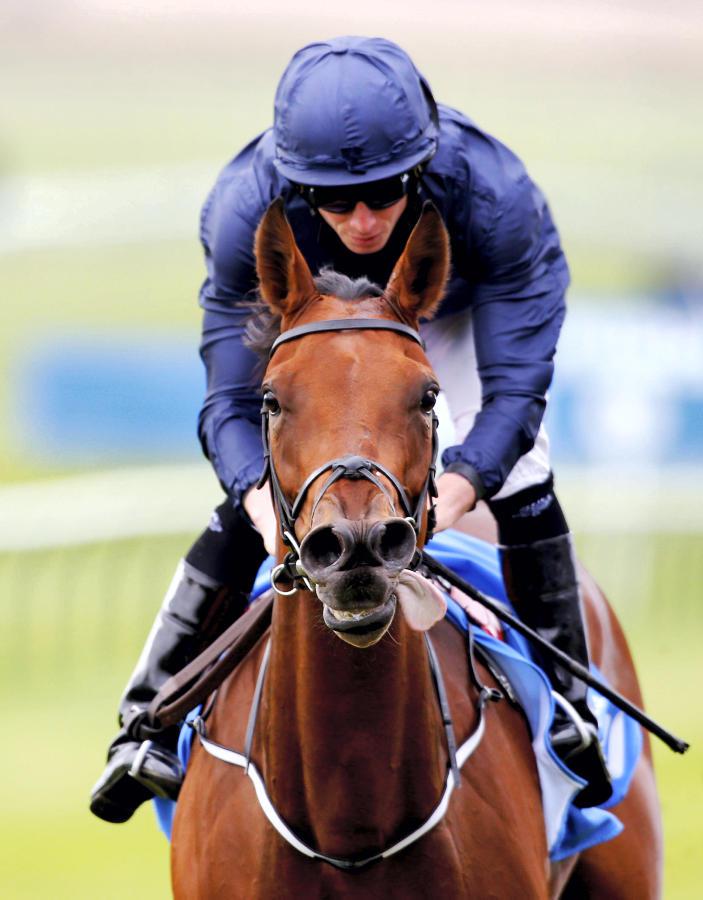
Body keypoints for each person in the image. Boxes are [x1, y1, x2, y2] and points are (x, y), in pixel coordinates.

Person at [90, 35, 612, 824]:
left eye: (386, 192)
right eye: (337, 201)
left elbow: (513, 394)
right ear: (297, 184)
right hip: (313, 322)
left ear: (424, 164)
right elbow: (228, 406)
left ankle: (569, 700)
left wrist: (451, 493)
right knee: (268, 473)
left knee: (525, 468)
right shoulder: (245, 212)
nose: (363, 220)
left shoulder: (495, 198)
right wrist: (269, 510)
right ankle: (145, 720)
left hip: (452, 309)